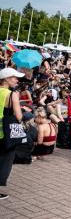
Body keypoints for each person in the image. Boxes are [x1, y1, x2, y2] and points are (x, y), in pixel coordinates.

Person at [0, 68, 24, 200]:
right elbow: (18, 116)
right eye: (14, 77)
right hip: (5, 133)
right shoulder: (12, 94)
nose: (16, 80)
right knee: (4, 160)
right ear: (6, 79)